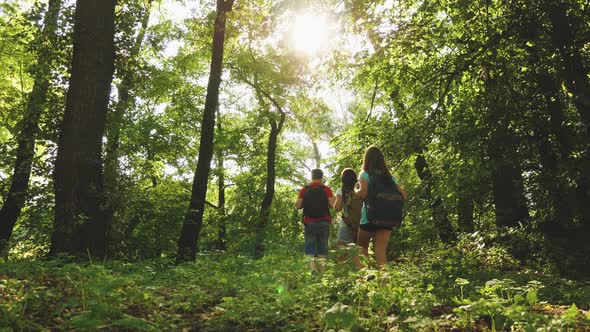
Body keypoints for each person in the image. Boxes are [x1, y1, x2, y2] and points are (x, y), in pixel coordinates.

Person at [355, 146, 407, 268]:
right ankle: (384, 285)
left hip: (369, 217)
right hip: (387, 218)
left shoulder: (365, 174)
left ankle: (366, 280)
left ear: (366, 159)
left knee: (362, 249)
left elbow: (363, 193)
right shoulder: (390, 178)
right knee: (380, 252)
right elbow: (404, 195)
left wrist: (355, 189)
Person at [295, 168, 335, 273]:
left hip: (310, 222)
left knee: (310, 249)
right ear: (321, 177)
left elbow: (298, 206)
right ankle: (322, 275)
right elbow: (332, 205)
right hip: (324, 222)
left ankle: (313, 271)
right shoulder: (326, 189)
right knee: (323, 248)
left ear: (311, 177)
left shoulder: (305, 189)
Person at [333, 168, 364, 269]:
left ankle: (342, 271)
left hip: (347, 223)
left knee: (341, 248)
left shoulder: (341, 190)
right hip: (362, 223)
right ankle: (363, 271)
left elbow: (337, 207)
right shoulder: (360, 188)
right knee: (358, 250)